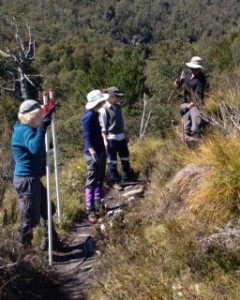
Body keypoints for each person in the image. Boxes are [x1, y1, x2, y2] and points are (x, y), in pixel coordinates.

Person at [11, 99, 68, 251]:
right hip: (26, 180)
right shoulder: (25, 130)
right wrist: (43, 127)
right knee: (29, 219)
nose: (41, 117)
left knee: (47, 208)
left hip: (31, 178)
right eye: (39, 115)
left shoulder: (25, 127)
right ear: (31, 117)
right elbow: (34, 148)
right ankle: (24, 253)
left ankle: (50, 241)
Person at [99, 86, 135, 191]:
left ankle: (126, 178)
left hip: (121, 137)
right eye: (116, 97)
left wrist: (126, 134)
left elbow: (122, 122)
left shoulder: (118, 107)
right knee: (112, 161)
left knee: (125, 158)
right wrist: (105, 140)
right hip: (111, 138)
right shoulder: (103, 110)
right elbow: (103, 127)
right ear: (110, 97)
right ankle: (114, 181)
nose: (118, 99)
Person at [80, 90, 109, 224]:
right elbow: (86, 136)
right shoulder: (88, 117)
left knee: (99, 177)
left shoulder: (95, 114)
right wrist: (92, 152)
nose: (103, 102)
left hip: (100, 150)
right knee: (91, 180)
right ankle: (89, 208)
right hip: (92, 153)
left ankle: (97, 203)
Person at [174, 56, 206, 137]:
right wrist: (177, 83)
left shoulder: (201, 79)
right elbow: (179, 80)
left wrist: (188, 108)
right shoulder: (187, 72)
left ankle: (197, 135)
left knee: (195, 123)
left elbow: (197, 96)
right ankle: (187, 137)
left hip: (196, 103)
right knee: (186, 125)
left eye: (196, 69)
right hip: (185, 101)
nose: (194, 70)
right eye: (192, 68)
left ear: (199, 69)